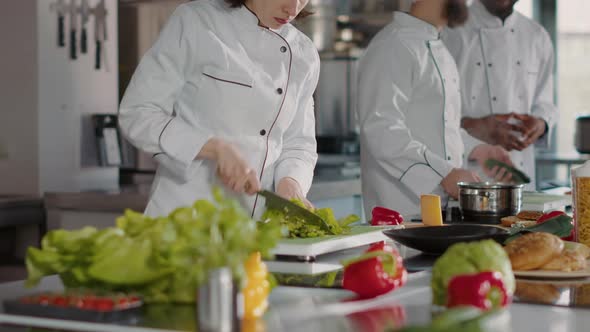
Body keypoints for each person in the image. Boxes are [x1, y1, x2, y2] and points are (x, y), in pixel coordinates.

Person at [118, 0, 319, 218]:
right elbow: (138, 113)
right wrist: (213, 147)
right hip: (184, 220)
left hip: (255, 229)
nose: (293, 9)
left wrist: (290, 181)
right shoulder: (197, 21)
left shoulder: (304, 53)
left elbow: (298, 142)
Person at [357, 0, 514, 216]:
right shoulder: (393, 45)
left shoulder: (435, 44)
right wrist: (444, 174)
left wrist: (478, 149)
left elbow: (440, 126)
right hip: (401, 216)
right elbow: (381, 130)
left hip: (438, 214)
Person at [443, 0, 557, 190]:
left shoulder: (536, 36)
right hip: (467, 175)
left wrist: (541, 123)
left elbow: (546, 103)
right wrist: (473, 127)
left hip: (520, 173)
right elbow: (430, 116)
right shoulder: (449, 32)